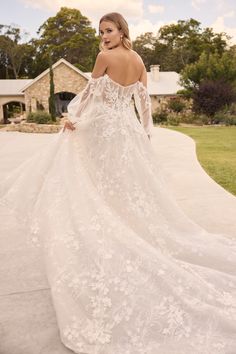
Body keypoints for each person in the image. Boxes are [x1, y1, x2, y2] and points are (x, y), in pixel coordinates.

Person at [0, 12, 236, 354]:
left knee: (96, 182)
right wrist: (144, 133)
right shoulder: (139, 59)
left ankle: (115, 230)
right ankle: (126, 227)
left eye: (108, 30)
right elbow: (143, 102)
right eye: (101, 32)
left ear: (121, 29)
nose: (104, 36)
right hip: (126, 132)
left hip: (104, 131)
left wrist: (74, 118)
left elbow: (91, 96)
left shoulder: (104, 57)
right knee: (124, 186)